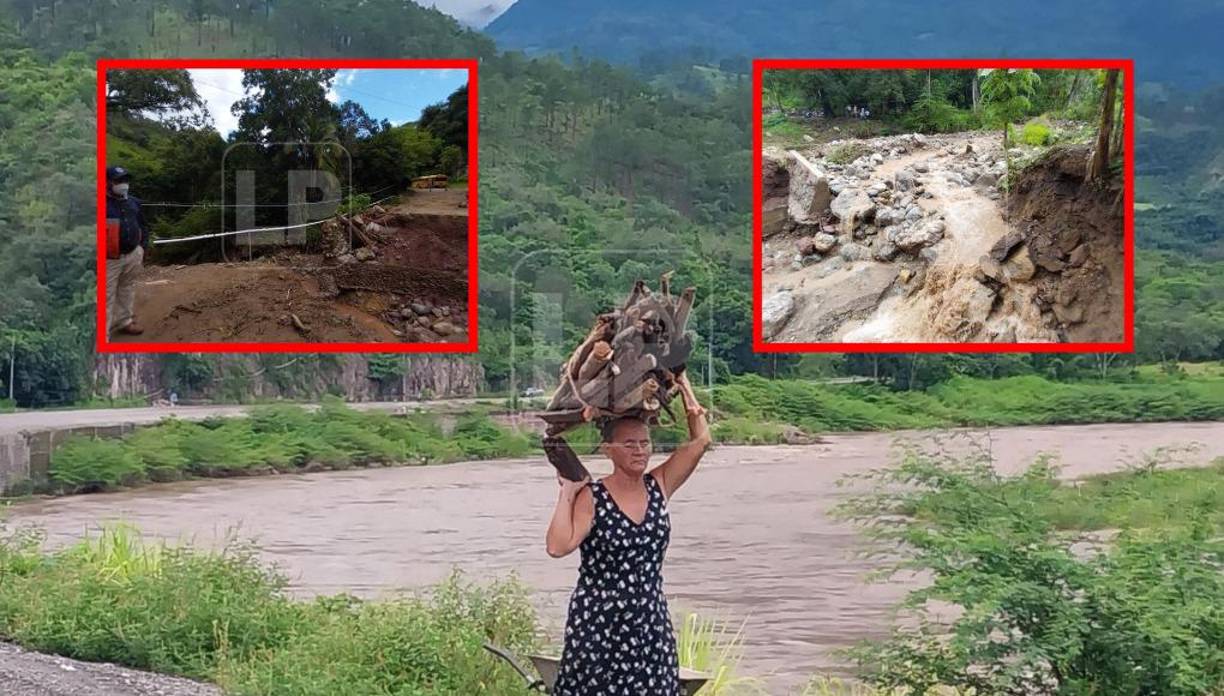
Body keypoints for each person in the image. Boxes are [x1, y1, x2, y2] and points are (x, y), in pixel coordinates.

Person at [546, 371, 711, 696]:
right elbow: (557, 546)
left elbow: (700, 441)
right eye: (629, 444)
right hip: (598, 625)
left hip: (649, 621)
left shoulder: (659, 484)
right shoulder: (593, 497)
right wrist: (568, 491)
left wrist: (684, 385)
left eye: (645, 443)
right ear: (608, 449)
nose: (639, 451)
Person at [105, 165, 149, 337]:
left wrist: (142, 248)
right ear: (108, 183)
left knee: (127, 289)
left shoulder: (133, 202)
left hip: (132, 254)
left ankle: (125, 321)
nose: (123, 184)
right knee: (106, 297)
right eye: (118, 180)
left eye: (125, 180)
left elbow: (143, 225)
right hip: (109, 259)